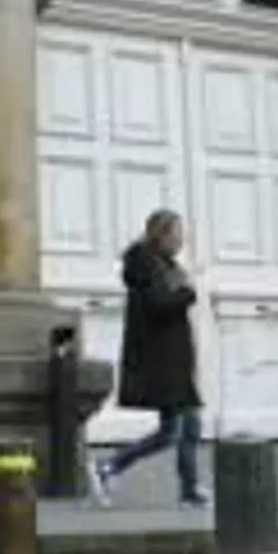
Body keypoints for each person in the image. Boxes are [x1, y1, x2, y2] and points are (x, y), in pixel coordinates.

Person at [86, 209, 210, 510]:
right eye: (177, 233)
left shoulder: (164, 265)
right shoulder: (146, 265)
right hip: (162, 362)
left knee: (187, 427)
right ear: (161, 234)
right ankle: (109, 467)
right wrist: (188, 292)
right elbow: (160, 304)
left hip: (174, 361)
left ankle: (188, 490)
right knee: (173, 432)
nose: (181, 240)